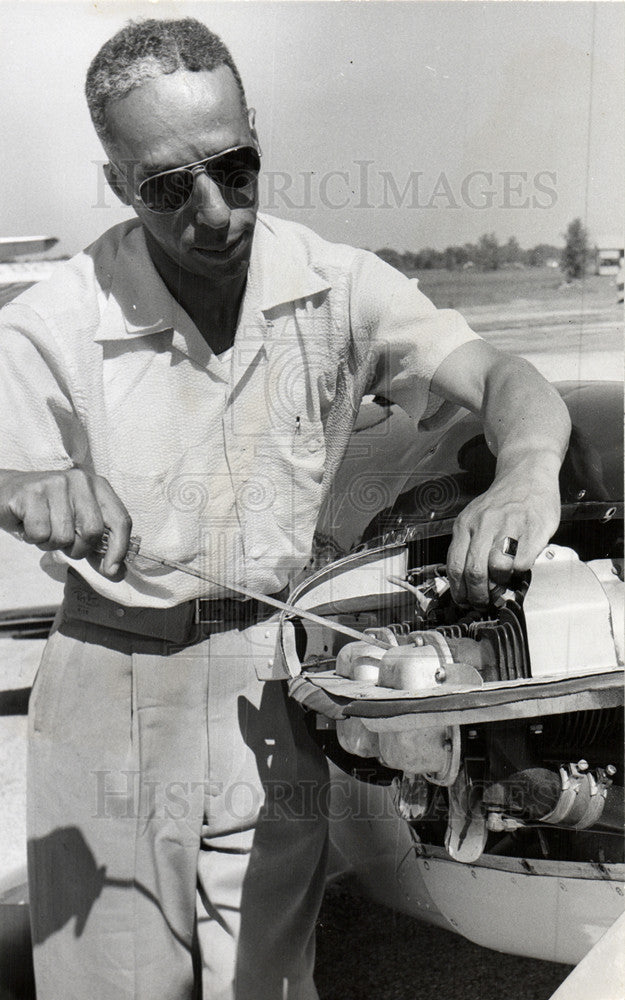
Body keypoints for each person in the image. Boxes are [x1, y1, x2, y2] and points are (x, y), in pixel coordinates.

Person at [0, 17, 571, 1000]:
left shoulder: (337, 285)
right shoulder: (54, 319)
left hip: (276, 682)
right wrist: (26, 488)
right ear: (117, 183)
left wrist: (525, 469)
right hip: (112, 685)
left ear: (256, 132)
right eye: (168, 187)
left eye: (237, 166)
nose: (215, 212)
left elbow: (503, 376)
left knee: (266, 982)